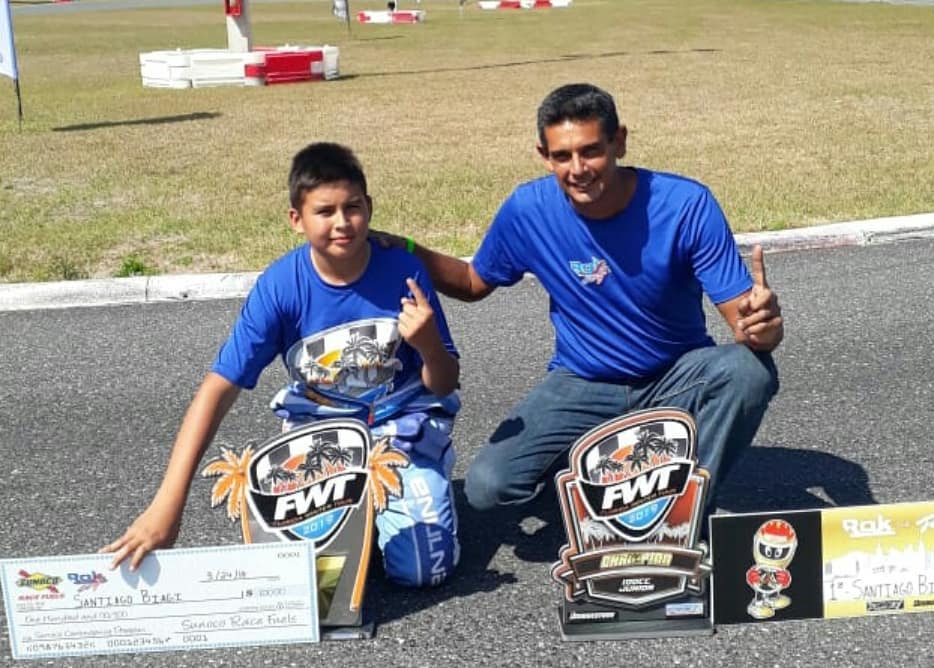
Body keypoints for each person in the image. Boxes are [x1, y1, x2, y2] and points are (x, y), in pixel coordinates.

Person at [375, 82, 782, 518]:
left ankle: (682, 508)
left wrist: (764, 328)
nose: (578, 169)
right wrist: (405, 248)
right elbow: (473, 282)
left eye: (591, 151)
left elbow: (747, 326)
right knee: (488, 486)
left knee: (749, 371)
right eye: (562, 156)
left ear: (619, 141)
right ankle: (601, 469)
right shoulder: (528, 210)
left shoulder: (685, 205)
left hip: (675, 377)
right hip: (584, 381)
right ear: (543, 155)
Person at [103, 142, 462, 588]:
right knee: (306, 581)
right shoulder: (279, 287)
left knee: (424, 570)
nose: (341, 222)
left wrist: (428, 345)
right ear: (296, 219)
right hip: (322, 434)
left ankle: (424, 478)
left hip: (399, 428)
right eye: (324, 211)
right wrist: (167, 505)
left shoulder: (405, 271)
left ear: (369, 208)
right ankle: (361, 513)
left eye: (352, 207)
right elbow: (218, 389)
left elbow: (444, 382)